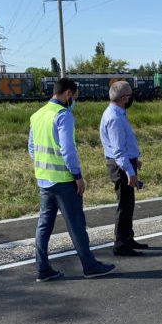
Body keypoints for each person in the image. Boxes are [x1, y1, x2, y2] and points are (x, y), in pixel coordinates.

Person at [28, 77, 115, 281]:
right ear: (68, 94)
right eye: (75, 97)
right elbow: (68, 150)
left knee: (44, 226)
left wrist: (44, 165)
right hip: (64, 180)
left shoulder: (37, 115)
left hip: (44, 180)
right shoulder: (63, 115)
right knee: (76, 224)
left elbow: (31, 148)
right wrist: (77, 176)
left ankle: (42, 268)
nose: (74, 101)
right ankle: (89, 265)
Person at [99, 80, 148, 256]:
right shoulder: (114, 118)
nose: (131, 97)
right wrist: (130, 171)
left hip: (125, 162)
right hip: (120, 166)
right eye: (130, 94)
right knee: (124, 205)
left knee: (129, 204)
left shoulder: (117, 113)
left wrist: (135, 161)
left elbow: (122, 146)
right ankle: (121, 244)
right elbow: (118, 150)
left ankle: (128, 238)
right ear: (124, 98)